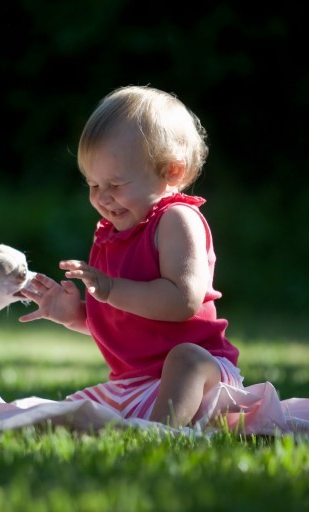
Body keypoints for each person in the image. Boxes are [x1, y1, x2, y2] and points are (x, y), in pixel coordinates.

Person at [19, 85, 242, 428]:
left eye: (116, 184)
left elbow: (183, 301)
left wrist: (109, 289)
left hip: (203, 381)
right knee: (56, 420)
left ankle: (160, 434)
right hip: (137, 386)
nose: (103, 198)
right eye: (93, 185)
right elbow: (126, 322)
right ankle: (150, 425)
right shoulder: (111, 234)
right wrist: (75, 315)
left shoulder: (176, 220)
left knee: (185, 359)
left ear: (172, 172)